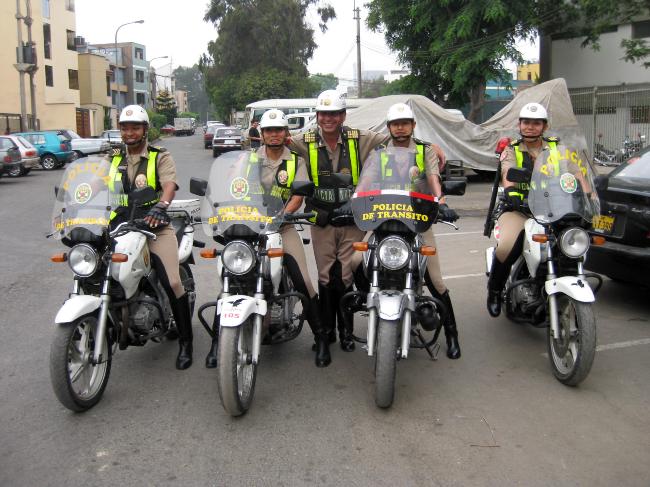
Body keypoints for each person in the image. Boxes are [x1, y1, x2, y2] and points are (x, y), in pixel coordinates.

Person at [204, 109, 332, 367]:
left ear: (286, 134)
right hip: (248, 226)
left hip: (280, 227)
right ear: (260, 134)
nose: (274, 134)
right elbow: (230, 187)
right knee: (230, 279)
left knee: (302, 279)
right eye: (269, 130)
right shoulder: (246, 159)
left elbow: (298, 195)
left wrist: (284, 215)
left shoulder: (296, 161)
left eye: (278, 130)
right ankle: (218, 344)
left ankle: (321, 339)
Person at [288, 90, 388, 353]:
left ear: (343, 116)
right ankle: (326, 333)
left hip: (352, 218)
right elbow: (275, 142)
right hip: (321, 219)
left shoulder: (361, 138)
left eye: (334, 113)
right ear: (317, 116)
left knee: (344, 276)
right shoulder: (303, 141)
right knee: (325, 277)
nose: (328, 119)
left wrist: (430, 145)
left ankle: (346, 332)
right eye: (323, 114)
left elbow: (397, 137)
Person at [370, 102, 461, 358]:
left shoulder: (425, 150)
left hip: (417, 219)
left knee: (435, 279)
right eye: (395, 124)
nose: (400, 128)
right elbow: (368, 180)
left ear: (412, 125)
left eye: (405, 123)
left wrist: (440, 201)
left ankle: (452, 334)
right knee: (356, 261)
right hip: (383, 220)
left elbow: (433, 177)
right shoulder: (378, 150)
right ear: (389, 127)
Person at [107, 105, 193, 370]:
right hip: (118, 226)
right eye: (125, 128)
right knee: (93, 273)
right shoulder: (112, 157)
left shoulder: (159, 156)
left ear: (144, 130)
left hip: (153, 226)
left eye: (135, 127)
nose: (129, 132)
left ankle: (186, 342)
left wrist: (162, 205)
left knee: (173, 281)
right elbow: (95, 185)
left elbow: (169, 185)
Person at [486, 102, 559, 317]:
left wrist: (588, 193)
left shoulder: (555, 148)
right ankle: (494, 290)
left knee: (570, 243)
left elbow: (574, 171)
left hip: (552, 209)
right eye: (526, 122)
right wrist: (510, 192)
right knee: (507, 247)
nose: (530, 127)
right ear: (520, 124)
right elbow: (507, 172)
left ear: (544, 126)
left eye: (536, 123)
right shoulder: (512, 149)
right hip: (519, 209)